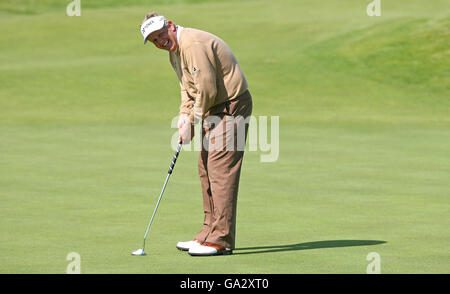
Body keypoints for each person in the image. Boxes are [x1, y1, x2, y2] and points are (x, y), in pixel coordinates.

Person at [139, 13, 252, 256]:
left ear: (170, 25)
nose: (160, 42)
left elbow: (207, 88)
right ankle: (208, 233)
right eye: (154, 40)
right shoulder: (175, 51)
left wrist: (192, 120)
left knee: (220, 172)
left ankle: (221, 240)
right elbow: (187, 87)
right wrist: (183, 116)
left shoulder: (191, 44)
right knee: (205, 169)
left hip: (231, 107)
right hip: (213, 108)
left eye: (161, 35)